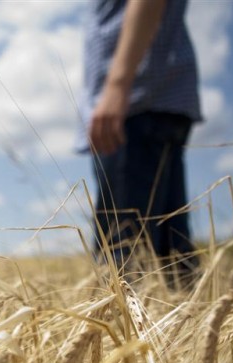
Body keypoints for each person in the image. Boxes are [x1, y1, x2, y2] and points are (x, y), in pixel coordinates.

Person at [80, 0, 202, 289]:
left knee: (121, 253)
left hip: (137, 103)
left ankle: (121, 334)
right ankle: (192, 330)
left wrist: (118, 85)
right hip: (154, 101)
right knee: (172, 248)